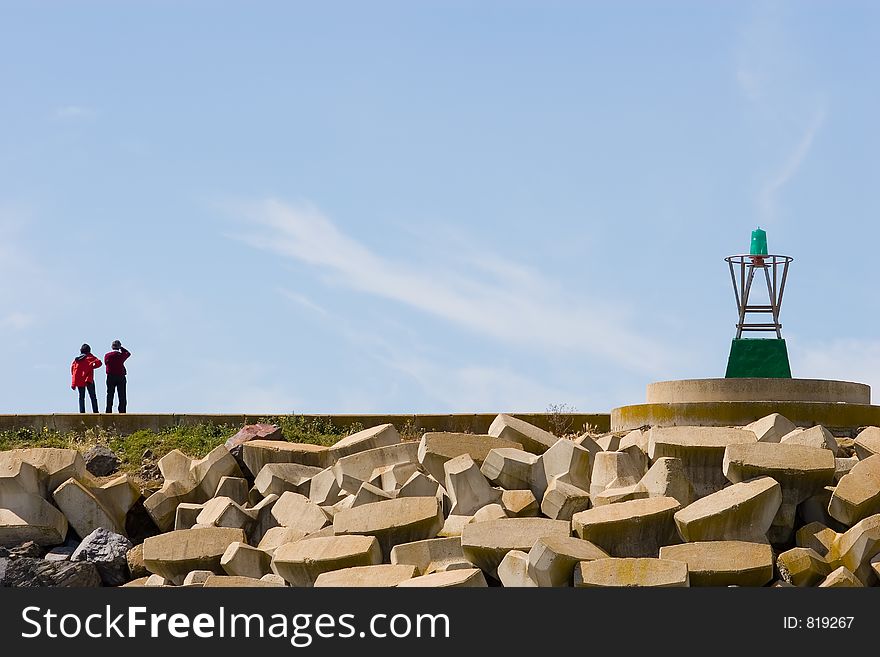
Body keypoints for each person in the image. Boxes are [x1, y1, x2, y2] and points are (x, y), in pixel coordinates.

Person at [71, 344, 102, 413]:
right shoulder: (90, 358)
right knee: (93, 396)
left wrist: (73, 383)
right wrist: (92, 366)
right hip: (88, 379)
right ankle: (95, 411)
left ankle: (82, 412)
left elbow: (73, 371)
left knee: (81, 397)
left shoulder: (76, 360)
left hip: (79, 380)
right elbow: (99, 363)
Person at [104, 339, 131, 413]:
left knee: (110, 394)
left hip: (110, 376)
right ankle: (122, 411)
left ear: (112, 347)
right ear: (118, 347)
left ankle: (108, 411)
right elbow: (128, 353)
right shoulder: (121, 355)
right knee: (122, 395)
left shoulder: (107, 355)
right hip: (120, 376)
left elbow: (106, 363)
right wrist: (121, 348)